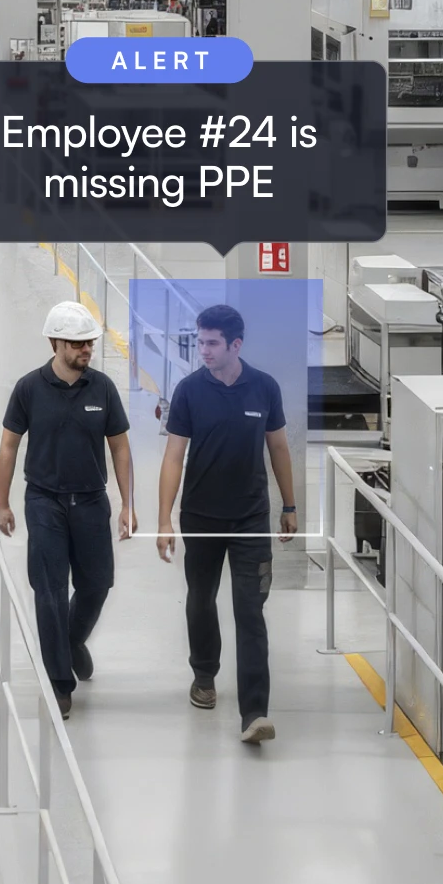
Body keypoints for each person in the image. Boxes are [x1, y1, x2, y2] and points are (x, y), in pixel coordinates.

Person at [153, 302, 299, 746]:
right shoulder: (189, 391)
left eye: (212, 343)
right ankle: (204, 675)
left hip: (251, 517)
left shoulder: (264, 388)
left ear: (236, 344)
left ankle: (255, 712)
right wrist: (165, 520)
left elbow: (278, 449)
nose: (204, 350)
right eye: (200, 341)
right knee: (201, 600)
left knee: (250, 611)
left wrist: (289, 506)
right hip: (200, 516)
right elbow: (174, 456)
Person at [0, 302, 134, 721]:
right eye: (76, 344)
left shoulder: (103, 388)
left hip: (92, 500)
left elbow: (121, 448)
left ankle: (72, 642)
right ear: (55, 342)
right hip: (44, 501)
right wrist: (1, 502)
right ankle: (59, 682)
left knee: (97, 584)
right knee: (50, 590)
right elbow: (8, 446)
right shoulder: (28, 388)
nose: (85, 350)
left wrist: (128, 504)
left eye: (88, 342)